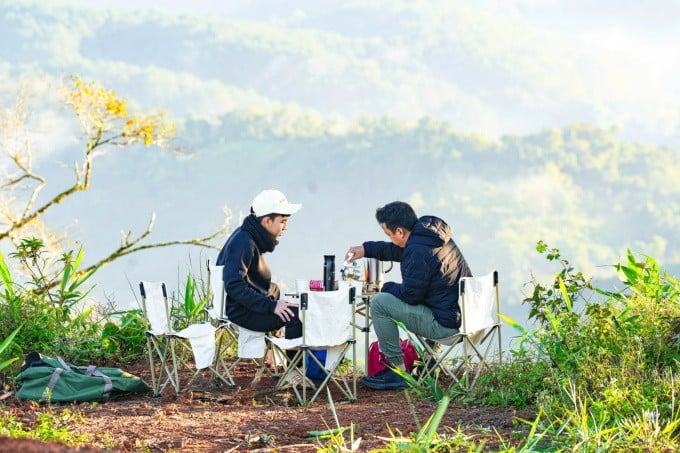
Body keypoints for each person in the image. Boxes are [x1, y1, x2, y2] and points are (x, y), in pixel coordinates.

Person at [345, 201, 472, 390]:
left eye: (388, 234)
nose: (389, 238)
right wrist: (366, 249)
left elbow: (411, 296)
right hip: (467, 316)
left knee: (380, 303)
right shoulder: (428, 234)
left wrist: (385, 287)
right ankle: (428, 360)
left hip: (447, 326)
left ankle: (398, 372)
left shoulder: (418, 252)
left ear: (400, 232)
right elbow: (400, 251)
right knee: (423, 296)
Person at [216, 189, 306, 383]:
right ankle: (293, 373)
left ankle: (272, 350)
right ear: (267, 221)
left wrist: (274, 299)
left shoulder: (247, 236)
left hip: (241, 306)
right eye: (282, 221)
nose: (285, 227)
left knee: (274, 289)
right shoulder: (244, 243)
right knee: (297, 316)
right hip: (241, 312)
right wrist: (272, 306)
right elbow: (234, 285)